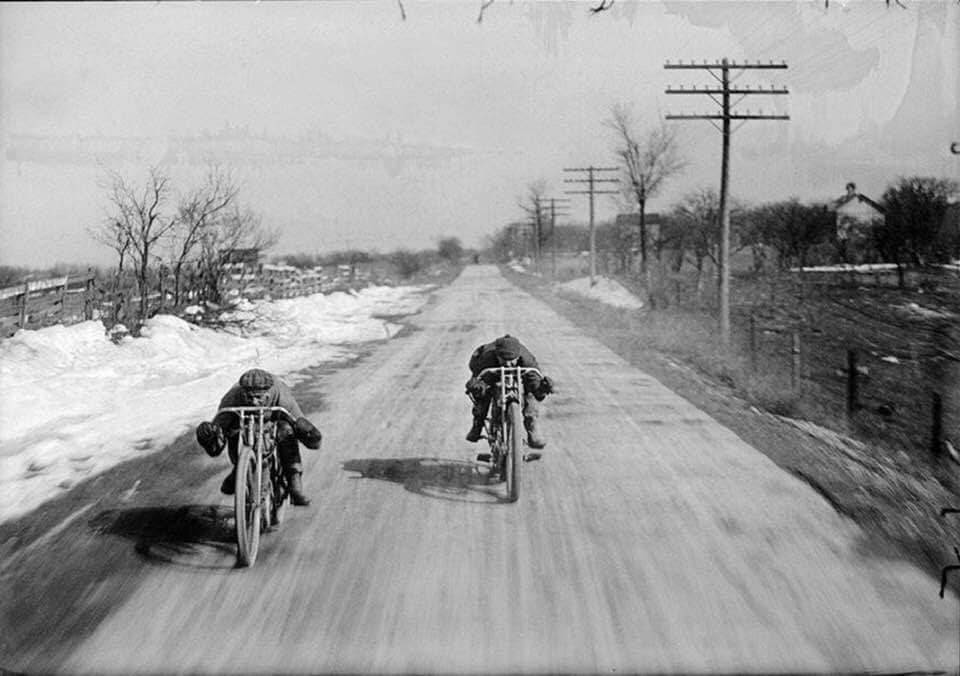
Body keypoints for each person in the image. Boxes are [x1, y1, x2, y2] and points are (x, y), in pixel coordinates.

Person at [195, 368, 322, 506]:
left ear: (268, 394)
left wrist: (309, 432)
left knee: (287, 431)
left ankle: (294, 484)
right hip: (242, 421)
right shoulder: (232, 398)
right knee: (232, 432)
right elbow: (217, 442)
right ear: (242, 393)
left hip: (274, 420)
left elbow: (301, 425)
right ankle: (239, 469)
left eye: (259, 397)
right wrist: (209, 435)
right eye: (249, 397)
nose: (254, 402)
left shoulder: (282, 395)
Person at [464, 334, 554, 450]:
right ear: (497, 356)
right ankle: (477, 424)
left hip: (520, 372)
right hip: (492, 370)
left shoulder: (527, 360)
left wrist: (543, 388)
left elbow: (536, 390)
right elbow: (478, 384)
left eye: (512, 361)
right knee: (483, 395)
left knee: (530, 393)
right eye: (504, 360)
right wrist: (477, 387)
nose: (508, 365)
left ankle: (532, 427)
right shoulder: (487, 357)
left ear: (518, 357)